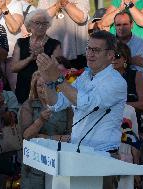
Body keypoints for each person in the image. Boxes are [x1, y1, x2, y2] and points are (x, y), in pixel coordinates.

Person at [36, 30, 127, 189]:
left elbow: (86, 103)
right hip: (77, 153)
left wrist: (58, 77)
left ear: (111, 55)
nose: (90, 54)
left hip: (102, 156)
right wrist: (48, 80)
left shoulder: (116, 82)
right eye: (88, 48)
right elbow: (57, 104)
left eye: (96, 50)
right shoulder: (85, 76)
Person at [19, 71, 71, 189]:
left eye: (48, 85)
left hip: (58, 162)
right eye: (40, 86)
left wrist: (45, 137)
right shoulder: (28, 106)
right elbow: (26, 136)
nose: (44, 89)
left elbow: (70, 135)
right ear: (34, 88)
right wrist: (41, 120)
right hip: (34, 163)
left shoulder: (65, 107)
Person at [11, 9, 61, 104]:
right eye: (37, 23)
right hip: (23, 87)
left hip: (45, 89)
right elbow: (13, 68)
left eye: (44, 23)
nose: (41, 26)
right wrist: (29, 59)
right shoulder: (21, 42)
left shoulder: (54, 44)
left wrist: (42, 55)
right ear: (29, 25)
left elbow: (57, 69)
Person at [102, 0, 143, 85]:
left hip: (140, 50)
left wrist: (130, 4)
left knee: (138, 85)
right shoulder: (118, 2)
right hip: (117, 47)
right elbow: (104, 21)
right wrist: (119, 9)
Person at [37, 0, 89, 69]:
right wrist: (57, 5)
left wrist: (65, 3)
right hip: (52, 53)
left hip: (77, 54)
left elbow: (81, 18)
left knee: (77, 78)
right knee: (53, 78)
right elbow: (40, 19)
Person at [0, 0, 24, 91]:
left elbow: (14, 28)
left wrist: (3, 8)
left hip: (12, 56)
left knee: (16, 88)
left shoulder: (16, 4)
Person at [112, 42, 143, 113]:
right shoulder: (102, 76)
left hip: (129, 117)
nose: (113, 59)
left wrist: (120, 105)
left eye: (117, 56)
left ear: (125, 58)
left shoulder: (136, 75)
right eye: (110, 56)